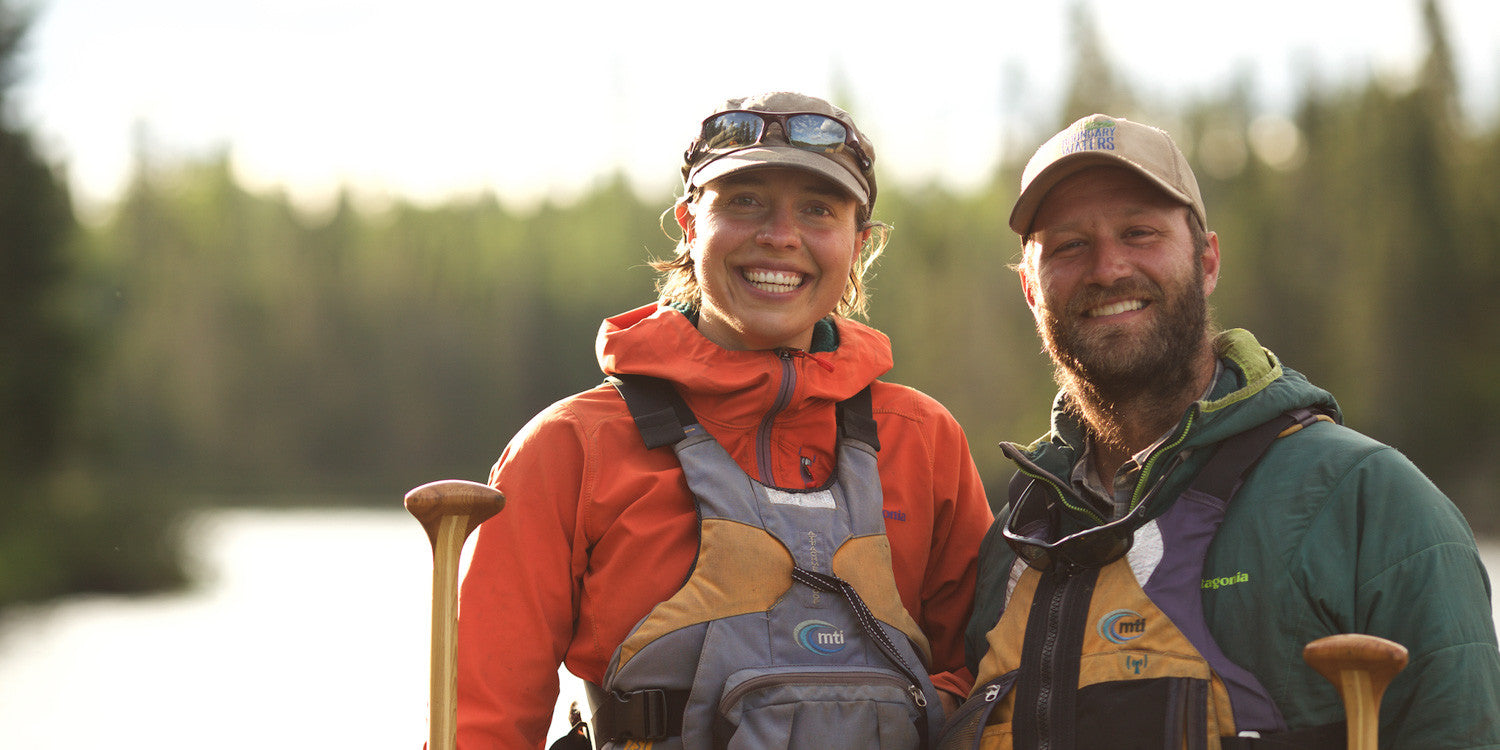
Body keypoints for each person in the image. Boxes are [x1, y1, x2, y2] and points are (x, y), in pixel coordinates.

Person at [455, 91, 993, 749]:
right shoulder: (570, 448)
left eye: (818, 210)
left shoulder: (922, 437)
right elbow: (482, 727)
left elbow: (989, 683)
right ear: (688, 223)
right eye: (744, 202)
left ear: (862, 243)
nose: (780, 236)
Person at [950, 113, 1500, 749]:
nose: (1107, 268)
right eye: (1069, 245)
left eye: (1139, 232)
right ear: (1030, 290)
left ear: (1207, 261)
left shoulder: (1369, 503)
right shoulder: (1013, 540)